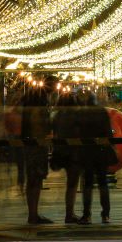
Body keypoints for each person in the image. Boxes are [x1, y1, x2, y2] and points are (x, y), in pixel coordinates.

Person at [73, 89, 117, 224]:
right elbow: (109, 133)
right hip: (101, 151)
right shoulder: (102, 112)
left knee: (88, 184)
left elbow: (77, 133)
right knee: (103, 183)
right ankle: (106, 214)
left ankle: (87, 214)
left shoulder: (82, 113)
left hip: (87, 152)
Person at [22, 76, 55, 224]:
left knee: (34, 180)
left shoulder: (33, 99)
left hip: (33, 144)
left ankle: (33, 213)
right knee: (35, 179)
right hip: (36, 145)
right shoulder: (39, 103)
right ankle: (33, 214)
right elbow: (37, 122)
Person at [50, 88, 81, 223]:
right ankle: (70, 213)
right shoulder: (76, 116)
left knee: (70, 183)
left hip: (60, 150)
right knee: (72, 183)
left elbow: (53, 132)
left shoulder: (57, 116)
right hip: (74, 151)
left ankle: (69, 212)